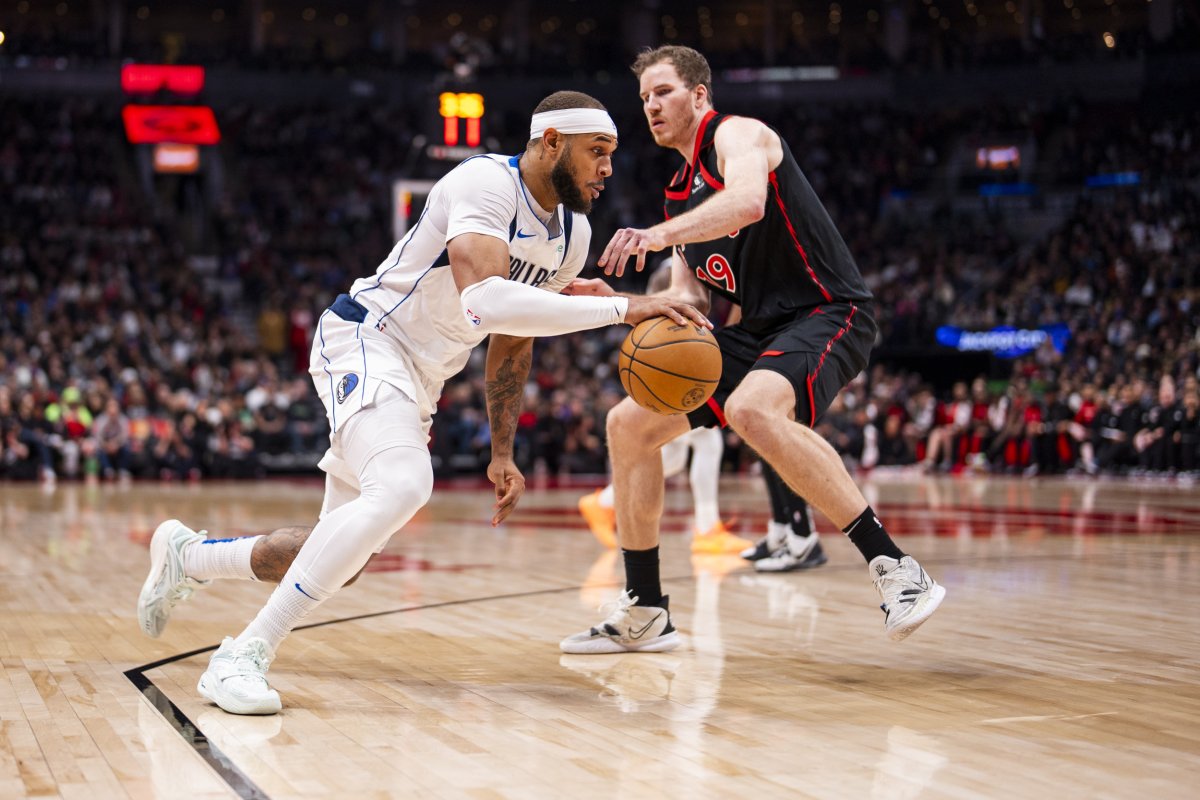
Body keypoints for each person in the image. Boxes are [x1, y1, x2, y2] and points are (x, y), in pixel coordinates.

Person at [136, 91, 710, 715]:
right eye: (597, 152)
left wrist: (501, 451)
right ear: (551, 143)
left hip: (424, 377)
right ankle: (242, 655)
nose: (607, 169)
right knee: (406, 485)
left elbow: (513, 340)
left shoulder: (573, 233)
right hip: (366, 338)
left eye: (611, 156)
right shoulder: (483, 182)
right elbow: (485, 302)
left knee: (343, 557)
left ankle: (188, 557)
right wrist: (623, 307)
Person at [559, 46, 944, 655]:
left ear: (700, 95)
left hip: (828, 309)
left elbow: (749, 202)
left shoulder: (741, 135)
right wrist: (621, 299)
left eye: (662, 92)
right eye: (644, 99)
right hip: (760, 328)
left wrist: (655, 238)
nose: (651, 106)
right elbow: (693, 307)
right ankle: (645, 608)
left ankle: (896, 568)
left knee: (751, 410)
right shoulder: (678, 196)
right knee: (628, 425)